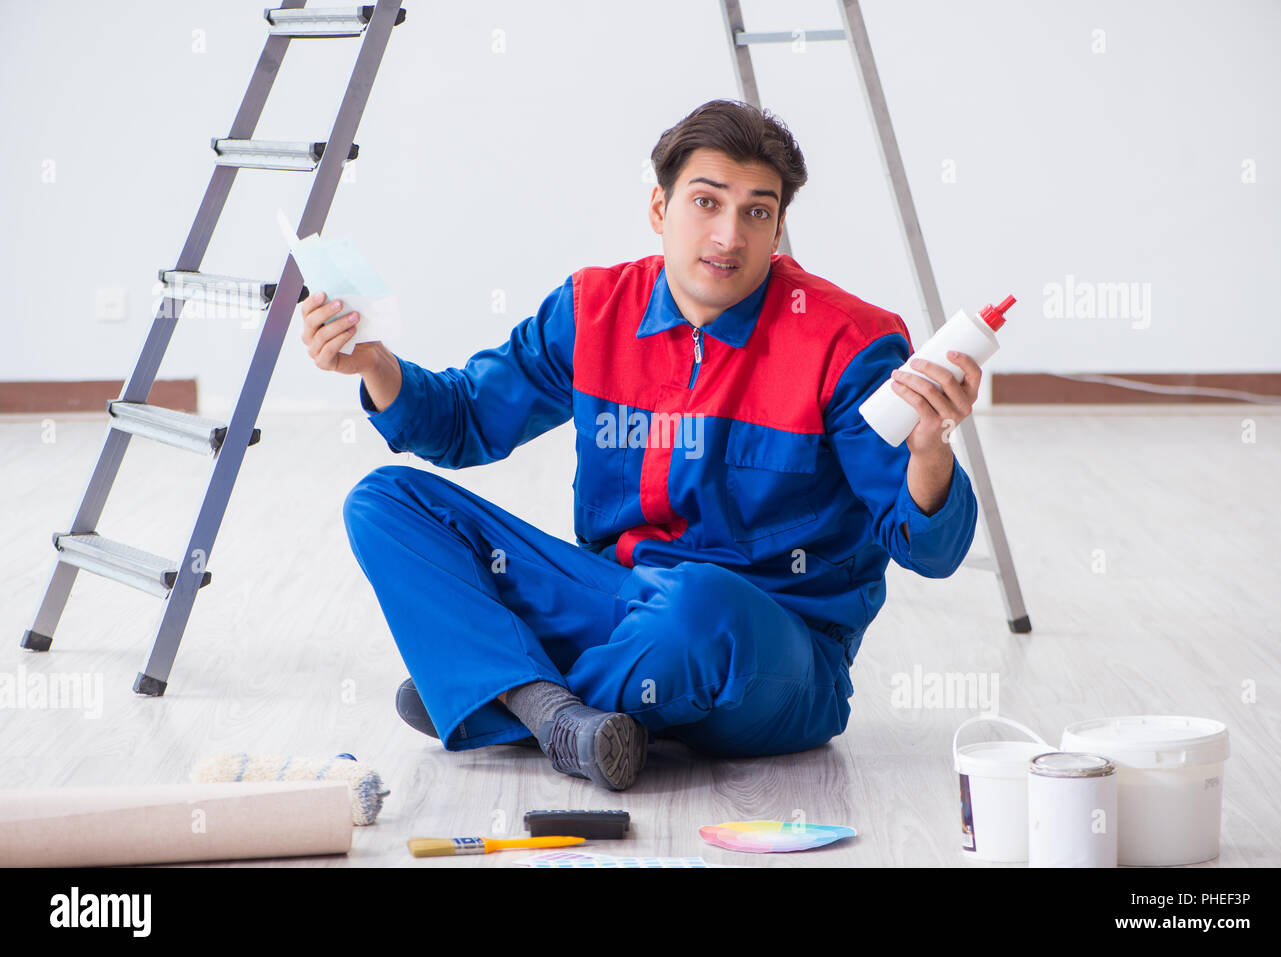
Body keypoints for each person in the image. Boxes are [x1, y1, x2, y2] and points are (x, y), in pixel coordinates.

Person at [299, 99, 980, 792]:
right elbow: (466, 419)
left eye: (757, 212)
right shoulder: (593, 310)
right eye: (707, 202)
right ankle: (550, 710)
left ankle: (501, 692)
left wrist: (929, 450)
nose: (728, 236)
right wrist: (377, 367)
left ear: (778, 228)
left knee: (701, 606)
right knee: (384, 501)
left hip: (773, 648)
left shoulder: (848, 342)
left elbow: (931, 549)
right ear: (659, 207)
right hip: (616, 605)